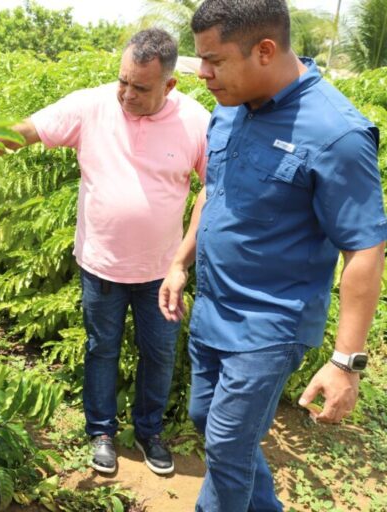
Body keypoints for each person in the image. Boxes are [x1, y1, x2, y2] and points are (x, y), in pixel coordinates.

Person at [0, 28, 211, 475]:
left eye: (140, 87)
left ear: (170, 85)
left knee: (159, 353)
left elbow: (214, 186)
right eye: (123, 81)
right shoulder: (92, 105)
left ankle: (150, 432)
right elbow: (23, 133)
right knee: (102, 348)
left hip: (162, 271)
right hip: (101, 264)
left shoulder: (195, 120)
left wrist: (183, 261)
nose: (126, 94)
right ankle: (102, 433)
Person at [158, 0, 387, 510]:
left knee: (226, 443)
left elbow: (365, 249)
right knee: (204, 418)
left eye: (214, 60)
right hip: (215, 308)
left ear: (264, 51)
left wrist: (346, 363)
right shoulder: (231, 105)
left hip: (270, 324)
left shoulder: (337, 134)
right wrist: (180, 261)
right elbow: (213, 193)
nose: (203, 73)